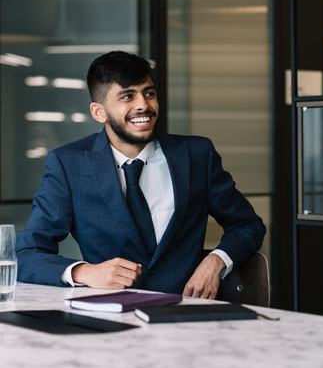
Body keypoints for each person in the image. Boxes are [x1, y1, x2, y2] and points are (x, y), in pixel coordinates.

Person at [16, 51, 265, 298]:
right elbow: (28, 254)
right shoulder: (68, 164)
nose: (143, 105)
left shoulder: (197, 155)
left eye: (149, 93)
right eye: (127, 97)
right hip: (111, 317)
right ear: (98, 112)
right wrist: (85, 272)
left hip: (188, 312)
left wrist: (216, 260)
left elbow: (247, 225)